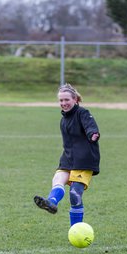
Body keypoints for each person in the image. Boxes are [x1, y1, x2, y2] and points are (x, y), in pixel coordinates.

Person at [34, 83, 100, 226]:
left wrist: (93, 134)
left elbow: (90, 126)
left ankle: (75, 229)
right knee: (58, 179)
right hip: (68, 158)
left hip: (84, 160)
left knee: (74, 195)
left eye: (66, 100)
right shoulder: (63, 119)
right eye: (61, 100)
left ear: (75, 99)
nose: (63, 103)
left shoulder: (82, 113)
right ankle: (51, 202)